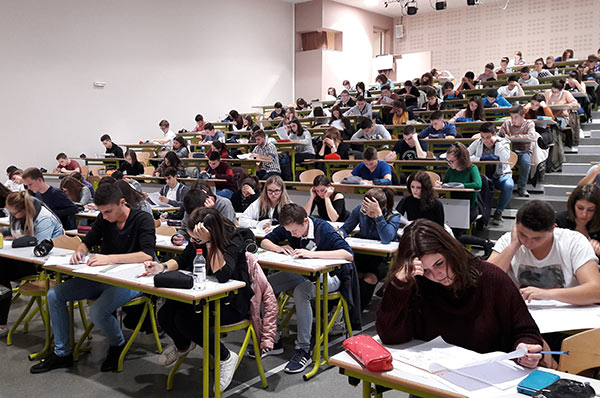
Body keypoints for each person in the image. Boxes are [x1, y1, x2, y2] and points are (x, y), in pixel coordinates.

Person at [376, 219, 544, 369]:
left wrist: (526, 347)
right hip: (434, 380)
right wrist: (399, 284)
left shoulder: (491, 278)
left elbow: (526, 331)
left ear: (451, 251)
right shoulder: (418, 283)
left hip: (487, 379)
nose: (436, 275)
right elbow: (390, 335)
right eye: (426, 270)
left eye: (439, 263)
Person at [29, 183, 156, 374]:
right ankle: (62, 353)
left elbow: (147, 254)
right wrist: (80, 252)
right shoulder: (103, 219)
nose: (104, 217)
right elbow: (86, 241)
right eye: (101, 212)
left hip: (132, 279)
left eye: (108, 212)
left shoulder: (142, 219)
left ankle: (117, 345)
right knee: (54, 295)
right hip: (102, 276)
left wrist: (109, 258)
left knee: (97, 310)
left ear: (122, 203)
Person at [147, 208, 253, 391]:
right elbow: (183, 259)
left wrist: (210, 243)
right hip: (205, 296)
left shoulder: (234, 239)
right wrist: (162, 267)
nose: (194, 242)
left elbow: (223, 274)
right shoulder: (197, 239)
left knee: (184, 320)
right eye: (193, 239)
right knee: (165, 313)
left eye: (196, 239)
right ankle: (183, 345)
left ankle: (226, 357)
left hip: (232, 302)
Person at [263, 203, 354, 373]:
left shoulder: (323, 228)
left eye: (294, 231)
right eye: (288, 231)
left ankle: (303, 349)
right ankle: (273, 339)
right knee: (265, 285)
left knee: (301, 292)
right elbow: (266, 241)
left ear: (305, 221)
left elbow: (348, 254)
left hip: (331, 277)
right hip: (302, 273)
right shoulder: (290, 225)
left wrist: (312, 254)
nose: (291, 234)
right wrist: (278, 247)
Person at [488, 200, 600, 306]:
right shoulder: (509, 240)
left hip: (566, 313)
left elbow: (596, 290)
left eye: (537, 238)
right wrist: (513, 246)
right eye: (523, 235)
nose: (528, 243)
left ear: (553, 229)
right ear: (516, 225)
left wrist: (546, 294)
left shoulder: (574, 242)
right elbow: (485, 280)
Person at [0, 191, 63, 337]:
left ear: (23, 210)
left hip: (43, 264)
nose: (12, 216)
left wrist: (16, 242)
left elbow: (40, 251)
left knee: (1, 272)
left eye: (14, 213)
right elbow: (15, 233)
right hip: (21, 257)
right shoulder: (19, 215)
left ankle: (1, 324)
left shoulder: (43, 219)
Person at [340, 188, 400, 311]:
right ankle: (341, 308)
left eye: (372, 211)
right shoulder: (360, 210)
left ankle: (356, 312)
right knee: (346, 273)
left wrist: (378, 216)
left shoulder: (393, 216)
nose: (368, 213)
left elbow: (386, 238)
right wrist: (340, 233)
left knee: (370, 278)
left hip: (381, 259)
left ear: (382, 208)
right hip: (361, 254)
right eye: (366, 208)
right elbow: (346, 228)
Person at [467, 122, 513, 225]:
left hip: (500, 175)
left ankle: (499, 211)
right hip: (483, 176)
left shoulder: (504, 143)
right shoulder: (477, 142)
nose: (485, 140)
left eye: (488, 137)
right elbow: (465, 156)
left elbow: (505, 158)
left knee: (508, 185)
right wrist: (481, 159)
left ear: (494, 134)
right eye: (483, 137)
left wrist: (497, 143)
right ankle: (481, 212)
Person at [170, 182, 236, 245]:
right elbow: (184, 228)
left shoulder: (224, 204)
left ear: (208, 199)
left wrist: (210, 211)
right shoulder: (191, 204)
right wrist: (179, 236)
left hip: (221, 244)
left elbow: (227, 230)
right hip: (196, 244)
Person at [499, 105, 538, 197]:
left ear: (522, 116)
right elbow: (500, 135)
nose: (513, 120)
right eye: (511, 117)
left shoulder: (529, 124)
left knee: (526, 162)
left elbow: (531, 136)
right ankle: (499, 185)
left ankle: (522, 188)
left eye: (516, 117)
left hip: (523, 151)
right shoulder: (506, 124)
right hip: (509, 151)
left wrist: (512, 137)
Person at [556, 184, 600, 256]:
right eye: (580, 208)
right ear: (573, 205)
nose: (584, 214)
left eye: (591, 210)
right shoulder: (559, 220)